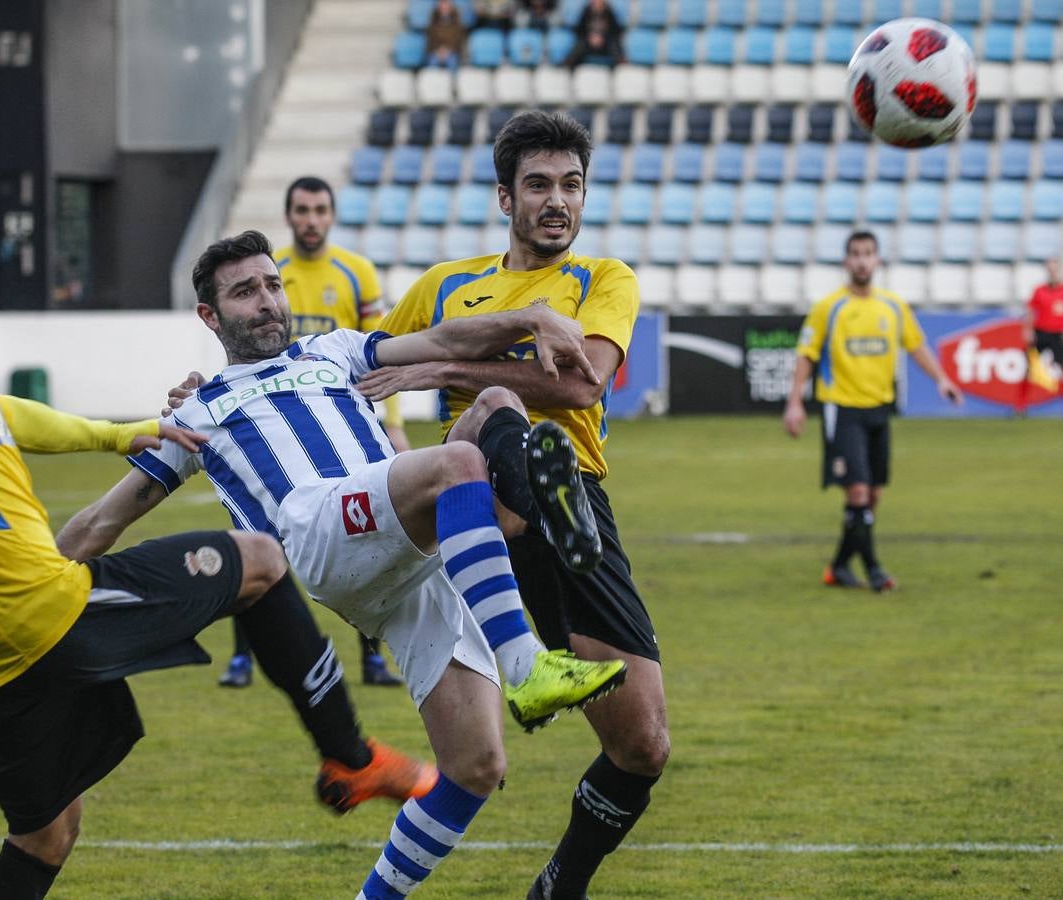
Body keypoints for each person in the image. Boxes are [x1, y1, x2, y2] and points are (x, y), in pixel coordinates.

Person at [0, 157, 433, 899]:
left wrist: (118, 434)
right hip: (32, 612)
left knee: (45, 836)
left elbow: (4, 415)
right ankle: (349, 756)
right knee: (259, 560)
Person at [57, 229, 628, 898]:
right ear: (210, 317)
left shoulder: (334, 351)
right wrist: (23, 578)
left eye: (272, 285)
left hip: (406, 547)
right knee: (456, 462)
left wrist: (532, 317)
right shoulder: (200, 409)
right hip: (320, 529)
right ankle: (527, 645)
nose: (268, 301)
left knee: (474, 765)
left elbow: (446, 342)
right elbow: (104, 518)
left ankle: (371, 897)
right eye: (244, 293)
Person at [357, 109, 665, 900]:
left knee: (642, 747)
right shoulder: (446, 287)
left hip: (579, 509)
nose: (557, 199)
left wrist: (430, 373)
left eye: (571, 184)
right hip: (469, 500)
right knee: (493, 404)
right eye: (538, 185)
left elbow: (583, 381)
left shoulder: (602, 279)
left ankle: (559, 885)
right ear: (505, 198)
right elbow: (352, 368)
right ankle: (522, 507)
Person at [216, 175, 410, 690]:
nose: (311, 219)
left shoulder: (356, 273)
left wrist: (393, 426)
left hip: (345, 424)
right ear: (289, 215)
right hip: (271, 430)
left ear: (330, 215)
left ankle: (372, 657)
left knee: (373, 533)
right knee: (253, 538)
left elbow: (375, 354)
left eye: (320, 210)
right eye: (302, 209)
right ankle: (242, 656)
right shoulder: (268, 273)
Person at [783, 230, 963, 592]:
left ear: (877, 259)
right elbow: (806, 355)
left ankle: (837, 567)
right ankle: (875, 569)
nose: (862, 260)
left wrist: (942, 379)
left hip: (879, 410)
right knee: (859, 492)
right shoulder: (829, 307)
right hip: (842, 408)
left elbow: (917, 346)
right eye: (855, 254)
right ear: (846, 261)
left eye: (868, 253)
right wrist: (795, 401)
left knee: (873, 496)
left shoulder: (893, 306)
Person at [1021, 256, 1063, 407]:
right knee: (1028, 369)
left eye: (1054, 268)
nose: (1052, 272)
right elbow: (1031, 311)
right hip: (1041, 333)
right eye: (1049, 268)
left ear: (1057, 270)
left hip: (1058, 335)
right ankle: (1020, 407)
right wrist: (1028, 330)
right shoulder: (1039, 291)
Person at [564, 0, 624, 68]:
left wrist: (603, 38)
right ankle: (568, 65)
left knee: (613, 44)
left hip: (605, 43)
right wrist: (590, 38)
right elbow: (579, 30)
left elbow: (616, 31)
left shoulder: (609, 12)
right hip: (589, 42)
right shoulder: (586, 11)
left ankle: (621, 64)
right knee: (580, 44)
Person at [426, 0, 467, 71]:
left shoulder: (458, 25)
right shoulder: (432, 25)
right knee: (432, 61)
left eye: (446, 6)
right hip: (436, 52)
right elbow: (430, 41)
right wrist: (438, 51)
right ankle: (433, 81)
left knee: (452, 61)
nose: (444, 8)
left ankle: (453, 81)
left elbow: (458, 41)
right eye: (442, 6)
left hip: (452, 53)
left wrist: (448, 50)